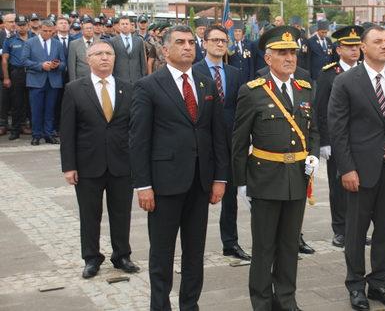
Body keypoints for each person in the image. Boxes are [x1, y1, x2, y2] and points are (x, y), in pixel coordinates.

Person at [130, 25, 228, 310]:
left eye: (190, 42)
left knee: (194, 253)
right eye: (180, 42)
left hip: (199, 182)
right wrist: (143, 185)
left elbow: (216, 133)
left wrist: (220, 177)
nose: (187, 47)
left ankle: (190, 304)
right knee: (161, 253)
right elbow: (138, 140)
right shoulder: (148, 86)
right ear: (165, 49)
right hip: (164, 185)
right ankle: (160, 306)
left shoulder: (205, 83)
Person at [328, 25, 385, 310]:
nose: (384, 46)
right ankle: (356, 286)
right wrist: (347, 168)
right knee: (355, 232)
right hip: (360, 170)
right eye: (377, 42)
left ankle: (379, 283)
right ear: (363, 48)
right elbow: (338, 128)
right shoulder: (346, 81)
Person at [232, 25, 319, 311]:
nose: (289, 58)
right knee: (264, 247)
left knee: (289, 245)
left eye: (292, 52)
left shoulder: (305, 89)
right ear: (268, 58)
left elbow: (314, 129)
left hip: (296, 178)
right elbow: (239, 139)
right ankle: (261, 302)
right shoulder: (252, 91)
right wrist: (241, 183)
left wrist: (314, 155)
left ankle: (286, 299)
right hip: (266, 178)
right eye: (282, 53)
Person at [60, 41, 140, 279]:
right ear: (88, 59)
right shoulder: (74, 89)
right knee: (89, 214)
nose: (104, 57)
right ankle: (91, 258)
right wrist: (69, 166)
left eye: (108, 54)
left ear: (114, 59)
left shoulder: (128, 88)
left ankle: (122, 255)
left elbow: (134, 128)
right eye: (98, 54)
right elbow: (67, 131)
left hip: (121, 163)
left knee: (121, 212)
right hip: (87, 164)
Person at [192, 25, 250, 261]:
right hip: (202, 142)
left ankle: (231, 242)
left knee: (230, 195)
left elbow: (240, 108)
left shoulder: (234, 72)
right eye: (214, 40)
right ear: (204, 43)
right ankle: (194, 245)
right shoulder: (194, 71)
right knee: (198, 195)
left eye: (223, 41)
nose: (219, 44)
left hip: (230, 141)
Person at [314, 25, 363, 248]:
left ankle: (357, 228)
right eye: (349, 47)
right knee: (339, 187)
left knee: (362, 186)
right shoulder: (329, 74)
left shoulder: (365, 71)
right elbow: (321, 109)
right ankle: (340, 230)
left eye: (357, 46)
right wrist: (324, 141)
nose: (354, 51)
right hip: (337, 140)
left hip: (363, 140)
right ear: (339, 49)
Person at [21, 19, 66, 145]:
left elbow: (63, 63)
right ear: (40, 29)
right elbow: (24, 61)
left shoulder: (58, 44)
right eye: (45, 30)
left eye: (50, 31)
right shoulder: (30, 43)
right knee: (36, 110)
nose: (47, 33)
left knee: (50, 110)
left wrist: (56, 65)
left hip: (53, 81)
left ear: (53, 31)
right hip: (36, 81)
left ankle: (49, 134)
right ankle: (36, 135)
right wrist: (41, 65)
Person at [2, 15, 30, 140]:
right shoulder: (10, 40)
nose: (21, 26)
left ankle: (28, 126)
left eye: (24, 24)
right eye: (19, 24)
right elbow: (4, 60)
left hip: (32, 72)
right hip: (17, 73)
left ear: (28, 25)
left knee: (30, 102)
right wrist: (6, 77)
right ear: (16, 26)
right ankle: (15, 130)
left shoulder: (34, 38)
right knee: (17, 103)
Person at [110, 16, 147, 84]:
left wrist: (144, 76)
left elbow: (142, 60)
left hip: (137, 78)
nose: (125, 26)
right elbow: (112, 61)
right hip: (120, 78)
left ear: (131, 25)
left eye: (127, 24)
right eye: (122, 24)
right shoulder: (113, 41)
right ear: (119, 26)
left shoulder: (139, 40)